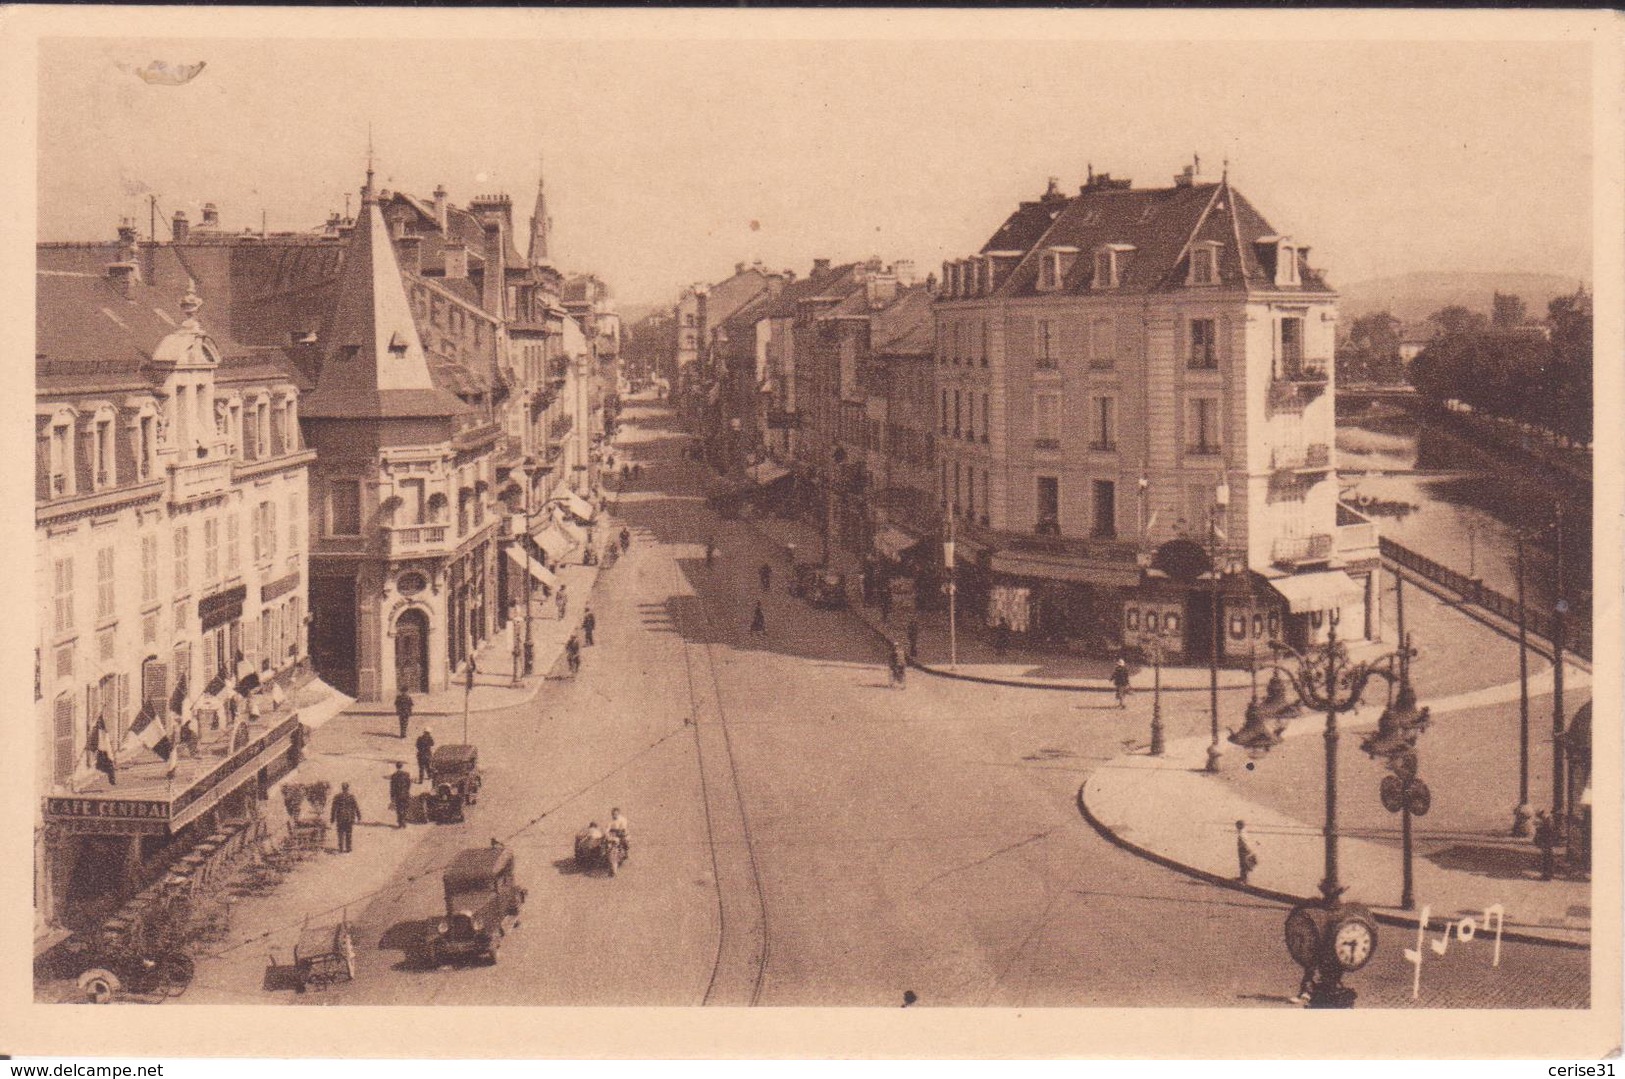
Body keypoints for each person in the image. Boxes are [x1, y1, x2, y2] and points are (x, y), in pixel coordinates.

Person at [331, 782, 361, 853]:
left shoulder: (337, 797)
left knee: (340, 833)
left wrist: (332, 818)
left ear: (342, 788)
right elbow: (356, 807)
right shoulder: (351, 797)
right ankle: (348, 848)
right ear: (348, 788)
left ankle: (341, 848)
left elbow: (334, 808)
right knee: (348, 833)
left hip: (340, 818)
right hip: (349, 817)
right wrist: (358, 816)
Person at [1534, 809, 1558, 881]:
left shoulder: (1547, 821)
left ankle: (1547, 875)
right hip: (1548, 843)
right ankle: (1548, 874)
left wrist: (1539, 829)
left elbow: (1546, 832)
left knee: (1547, 859)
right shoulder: (1548, 820)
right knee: (1548, 858)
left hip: (1547, 843)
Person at [389, 761, 413, 829]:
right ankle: (404, 821)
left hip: (398, 795)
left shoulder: (394, 775)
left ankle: (400, 823)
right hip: (405, 794)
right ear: (402, 766)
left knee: (399, 809)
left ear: (396, 767)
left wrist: (392, 797)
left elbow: (392, 787)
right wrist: (407, 791)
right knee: (406, 807)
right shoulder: (406, 774)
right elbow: (409, 784)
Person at [1236, 819, 1259, 884]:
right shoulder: (1243, 832)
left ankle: (1244, 879)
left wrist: (1248, 851)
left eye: (1237, 825)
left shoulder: (1241, 833)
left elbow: (1244, 843)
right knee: (1243, 865)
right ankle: (1242, 878)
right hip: (1244, 849)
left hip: (1244, 850)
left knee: (1244, 865)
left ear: (1240, 826)